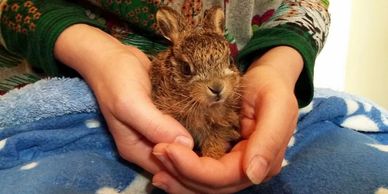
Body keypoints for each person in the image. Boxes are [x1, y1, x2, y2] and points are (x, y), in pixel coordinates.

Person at [0, 0, 330, 193]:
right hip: (65, 88)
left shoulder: (230, 89)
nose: (215, 86)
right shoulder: (166, 87)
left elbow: (304, 8)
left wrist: (276, 66)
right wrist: (96, 54)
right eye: (188, 71)